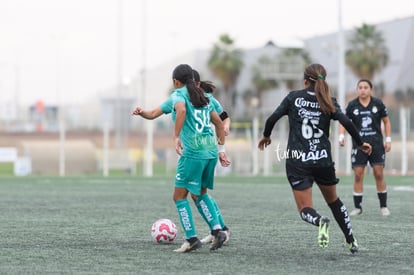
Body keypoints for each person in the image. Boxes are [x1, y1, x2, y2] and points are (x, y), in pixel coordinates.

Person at [258, 63, 372, 254]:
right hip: (323, 160)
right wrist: (360, 143)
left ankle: (320, 221)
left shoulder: (293, 98)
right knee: (334, 201)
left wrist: (267, 135)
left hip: (298, 160)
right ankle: (351, 240)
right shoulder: (329, 100)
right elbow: (346, 122)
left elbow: (272, 119)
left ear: (304, 80)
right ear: (323, 81)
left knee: (305, 209)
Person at [133, 64, 227, 253]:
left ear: (176, 81)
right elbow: (219, 122)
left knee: (179, 196)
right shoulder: (203, 96)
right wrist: (221, 149)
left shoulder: (178, 95)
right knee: (200, 194)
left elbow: (181, 111)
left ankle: (191, 238)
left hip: (193, 153)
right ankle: (218, 230)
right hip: (209, 152)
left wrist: (176, 136)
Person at [339, 79, 392, 216]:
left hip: (376, 144)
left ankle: (383, 206)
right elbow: (344, 122)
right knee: (358, 175)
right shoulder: (352, 105)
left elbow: (386, 122)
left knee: (379, 174)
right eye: (360, 87)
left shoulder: (378, 104)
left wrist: (388, 139)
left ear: (370, 89)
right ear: (357, 89)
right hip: (359, 145)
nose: (363, 90)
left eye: (365, 87)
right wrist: (341, 136)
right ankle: (358, 207)